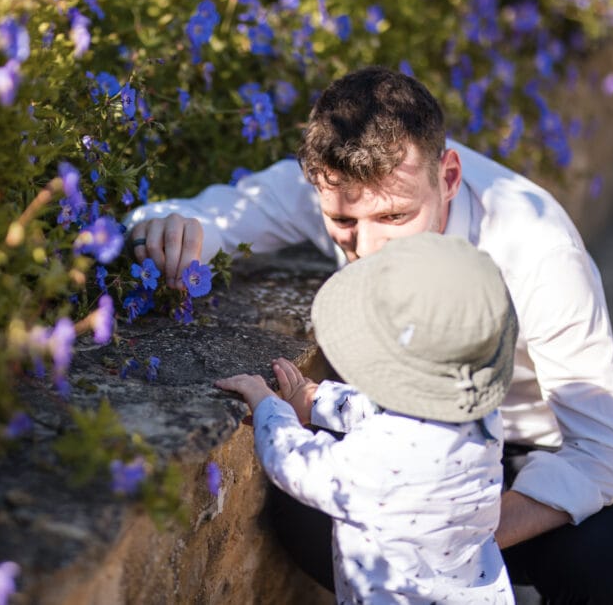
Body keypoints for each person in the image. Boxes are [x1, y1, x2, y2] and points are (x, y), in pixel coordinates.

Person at [127, 66, 613, 603]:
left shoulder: (539, 252)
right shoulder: (339, 182)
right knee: (300, 512)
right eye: (343, 224)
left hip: (518, 448)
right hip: (387, 440)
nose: (368, 248)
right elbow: (212, 213)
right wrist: (177, 227)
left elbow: (610, 451)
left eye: (395, 215)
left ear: (449, 177)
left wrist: (456, 542)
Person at [215, 233, 517, 604]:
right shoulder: (478, 415)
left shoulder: (382, 457)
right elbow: (388, 413)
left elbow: (296, 463)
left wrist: (268, 406)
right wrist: (315, 400)